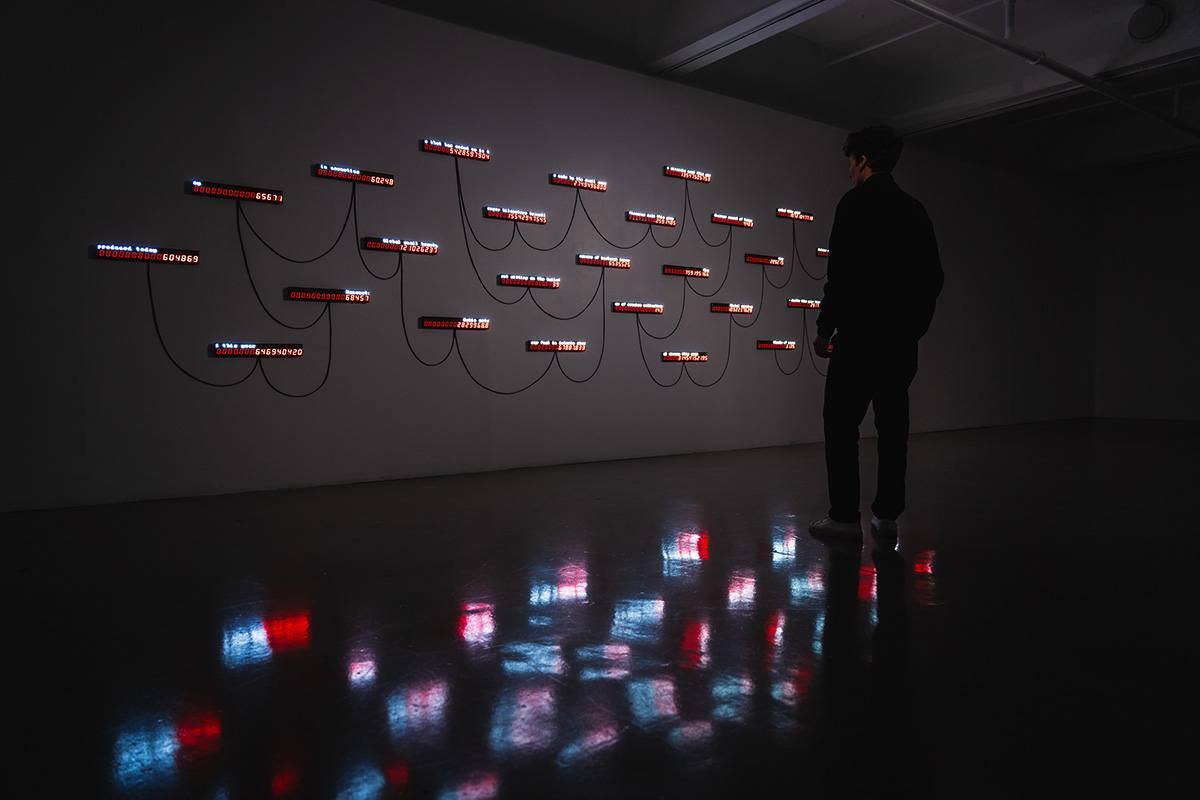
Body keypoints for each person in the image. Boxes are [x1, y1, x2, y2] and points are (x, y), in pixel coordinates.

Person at [808, 126, 944, 540]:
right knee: (893, 428)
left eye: (850, 161)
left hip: (858, 341)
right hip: (899, 344)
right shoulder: (914, 209)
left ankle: (844, 518)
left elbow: (841, 278)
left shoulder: (853, 205)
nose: (848, 170)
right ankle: (887, 516)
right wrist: (911, 329)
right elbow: (932, 278)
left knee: (840, 425)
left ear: (863, 159)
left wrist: (824, 328)